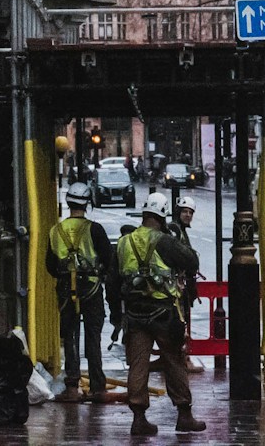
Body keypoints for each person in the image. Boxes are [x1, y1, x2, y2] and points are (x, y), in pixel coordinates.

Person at [117, 191, 205, 436]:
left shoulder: (125, 242)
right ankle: (184, 414)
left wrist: (116, 314)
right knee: (174, 362)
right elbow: (191, 261)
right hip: (164, 313)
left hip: (135, 314)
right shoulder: (164, 240)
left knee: (138, 364)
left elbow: (114, 281)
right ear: (163, 216)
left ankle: (138, 418)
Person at [44, 181, 117, 404]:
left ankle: (72, 387)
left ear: (68, 203)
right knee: (93, 338)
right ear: (87, 204)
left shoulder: (56, 231)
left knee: (70, 337)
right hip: (92, 290)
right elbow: (109, 259)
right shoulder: (94, 229)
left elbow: (50, 265)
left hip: (66, 290)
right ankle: (97, 387)